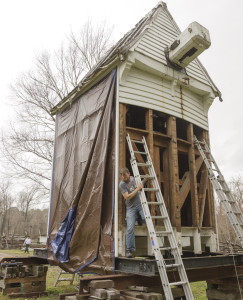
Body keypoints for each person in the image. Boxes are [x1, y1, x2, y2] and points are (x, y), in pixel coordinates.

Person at [119, 167, 148, 258]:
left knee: (145, 219)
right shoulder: (122, 184)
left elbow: (140, 185)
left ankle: (140, 219)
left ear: (129, 174)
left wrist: (145, 180)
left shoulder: (134, 179)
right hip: (130, 208)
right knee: (130, 228)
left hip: (140, 205)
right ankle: (129, 250)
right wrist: (137, 189)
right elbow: (127, 197)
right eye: (123, 177)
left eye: (126, 177)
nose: (125, 179)